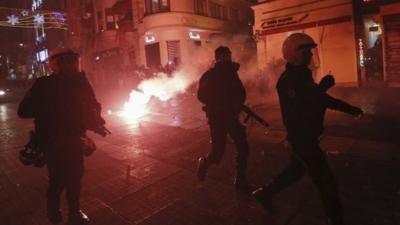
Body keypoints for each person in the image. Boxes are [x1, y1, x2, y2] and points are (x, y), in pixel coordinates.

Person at [252, 33, 363, 225]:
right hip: (302, 138)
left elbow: (317, 99)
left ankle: (264, 193)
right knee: (327, 183)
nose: (311, 56)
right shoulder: (288, 81)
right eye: (307, 53)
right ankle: (337, 220)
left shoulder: (302, 76)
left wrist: (349, 108)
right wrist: (323, 88)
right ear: (295, 55)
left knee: (296, 171)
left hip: (307, 136)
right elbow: (307, 105)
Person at [18, 48, 109, 225]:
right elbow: (23, 111)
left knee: (76, 177)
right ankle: (54, 212)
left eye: (73, 60)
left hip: (76, 140)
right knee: (57, 180)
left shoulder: (81, 82)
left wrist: (96, 121)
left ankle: (74, 213)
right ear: (55, 65)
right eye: (66, 61)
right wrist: (48, 108)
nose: (71, 65)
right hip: (53, 142)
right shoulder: (43, 84)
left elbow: (92, 106)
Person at [197, 46, 251, 191]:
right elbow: (201, 96)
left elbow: (240, 93)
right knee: (217, 152)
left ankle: (240, 180)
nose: (228, 58)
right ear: (219, 57)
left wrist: (236, 104)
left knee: (242, 145)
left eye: (228, 55)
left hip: (230, 117)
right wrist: (219, 102)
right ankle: (204, 163)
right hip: (218, 118)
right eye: (225, 56)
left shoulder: (231, 73)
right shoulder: (211, 75)